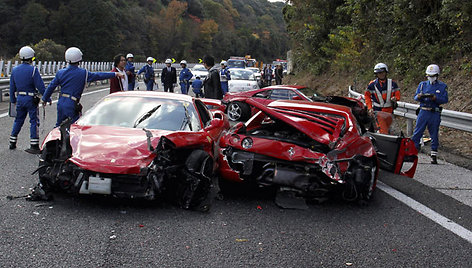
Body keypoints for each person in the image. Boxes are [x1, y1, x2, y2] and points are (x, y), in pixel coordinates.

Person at [41, 47, 124, 127]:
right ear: (79, 59)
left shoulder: (60, 72)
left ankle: (55, 140)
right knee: (74, 127)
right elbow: (98, 75)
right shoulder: (83, 73)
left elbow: (51, 86)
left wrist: (45, 99)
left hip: (61, 101)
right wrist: (115, 74)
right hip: (72, 103)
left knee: (59, 126)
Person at [9, 46, 47, 154]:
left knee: (18, 120)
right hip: (30, 98)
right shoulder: (33, 70)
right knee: (34, 121)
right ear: (31, 58)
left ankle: (12, 141)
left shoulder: (15, 70)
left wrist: (13, 100)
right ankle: (34, 144)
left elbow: (12, 87)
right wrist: (46, 97)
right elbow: (40, 86)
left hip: (20, 98)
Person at [411, 64, 448, 164]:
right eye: (429, 76)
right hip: (423, 110)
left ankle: (433, 154)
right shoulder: (422, 85)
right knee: (417, 132)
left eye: (433, 76)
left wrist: (436, 98)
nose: (431, 78)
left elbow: (445, 99)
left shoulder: (442, 86)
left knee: (434, 133)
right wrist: (419, 96)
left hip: (434, 111)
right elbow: (415, 97)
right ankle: (413, 152)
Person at [364, 63, 400, 134]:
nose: (381, 74)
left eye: (382, 72)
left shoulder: (393, 84)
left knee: (391, 130)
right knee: (383, 131)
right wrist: (370, 108)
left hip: (389, 111)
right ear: (376, 74)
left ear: (386, 72)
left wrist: (395, 98)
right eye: (379, 73)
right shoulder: (372, 85)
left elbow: (397, 94)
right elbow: (367, 96)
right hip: (378, 111)